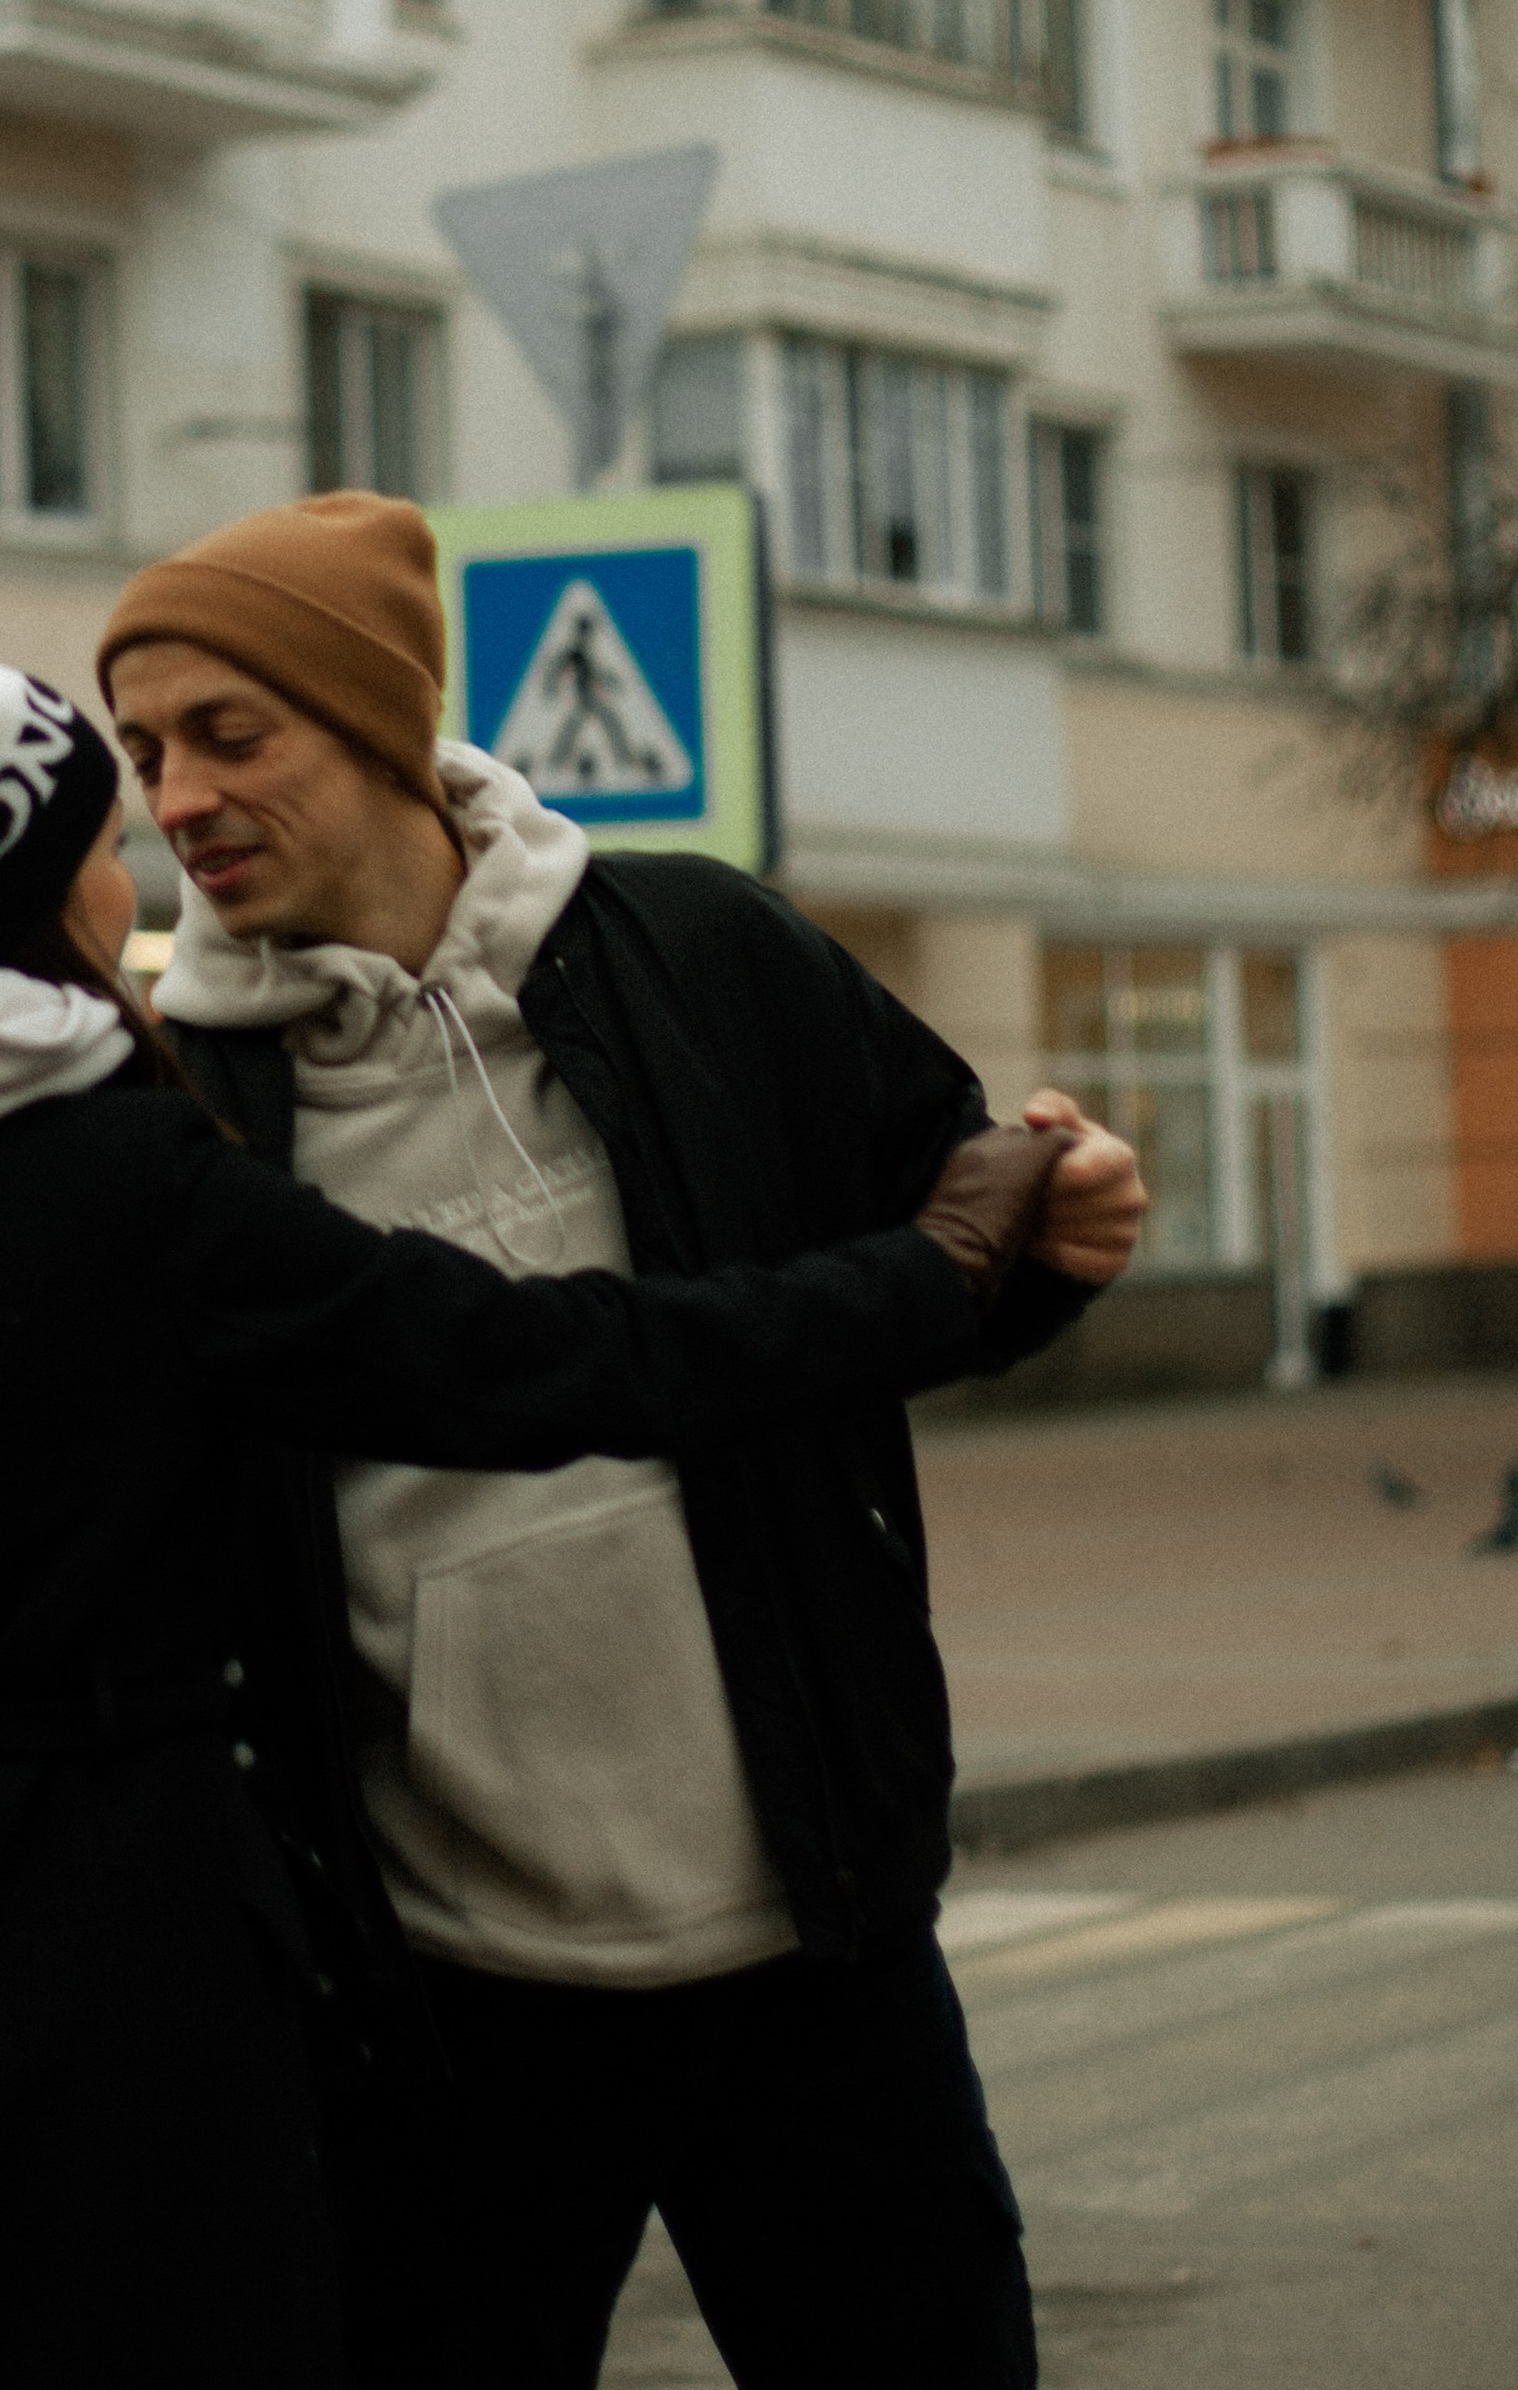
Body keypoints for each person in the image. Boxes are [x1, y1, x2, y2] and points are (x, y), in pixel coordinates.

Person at [0, 654, 1082, 2390]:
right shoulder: (128, 1182)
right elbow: (543, 1359)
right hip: (134, 1962)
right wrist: (927, 1273)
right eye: (104, 833)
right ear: (10, 881)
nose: (140, 874)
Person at [97, 493, 1147, 2390]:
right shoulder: (181, 1097)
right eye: (143, 752)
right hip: (440, 1995)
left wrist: (1065, 1228)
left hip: (811, 1942)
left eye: (229, 736)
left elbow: (946, 1240)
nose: (174, 798)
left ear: (383, 724)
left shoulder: (694, 948)